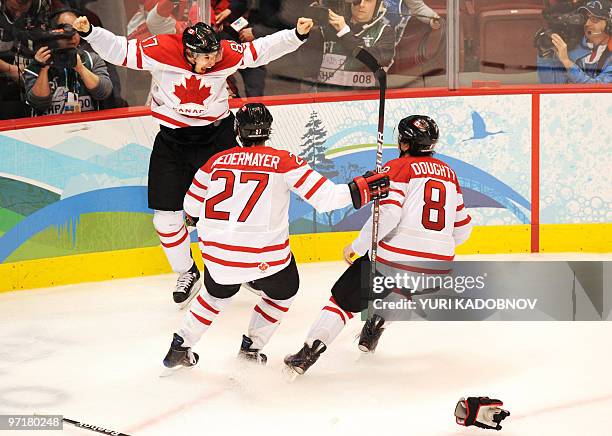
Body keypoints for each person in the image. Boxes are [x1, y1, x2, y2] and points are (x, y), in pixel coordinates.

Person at [71, 14, 314, 307]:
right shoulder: (160, 50)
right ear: (188, 53)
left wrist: (296, 35)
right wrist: (91, 32)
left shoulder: (225, 55)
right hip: (172, 143)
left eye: (215, 55)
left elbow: (259, 50)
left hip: (217, 140)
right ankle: (187, 271)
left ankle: (243, 267)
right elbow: (120, 51)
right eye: (206, 58)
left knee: (237, 211)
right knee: (165, 219)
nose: (212, 62)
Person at [161, 102, 389, 372]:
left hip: (217, 256)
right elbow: (326, 198)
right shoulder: (282, 161)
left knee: (214, 295)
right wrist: (363, 187)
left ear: (237, 131)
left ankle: (180, 347)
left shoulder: (215, 162)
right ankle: (251, 348)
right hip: (264, 257)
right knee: (283, 293)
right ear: (268, 131)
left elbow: (191, 209)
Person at [284, 115, 473, 376]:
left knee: (342, 302)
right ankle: (376, 323)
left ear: (405, 143)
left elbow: (389, 214)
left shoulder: (398, 167)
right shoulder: (449, 175)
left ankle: (307, 355)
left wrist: (358, 246)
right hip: (436, 269)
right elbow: (463, 229)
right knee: (402, 288)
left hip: (393, 260)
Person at [23, 8, 113, 114]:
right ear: (53, 32)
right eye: (66, 30)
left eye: (77, 30)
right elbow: (38, 103)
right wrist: (43, 68)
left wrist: (81, 68)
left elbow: (104, 93)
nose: (72, 36)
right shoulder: (38, 62)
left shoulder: (92, 59)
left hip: (88, 126)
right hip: (49, 128)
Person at [301, 0, 396, 91]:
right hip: (327, 100)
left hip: (364, 102)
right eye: (357, 0)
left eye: (368, 0)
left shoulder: (385, 32)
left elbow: (377, 61)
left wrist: (344, 33)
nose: (362, 4)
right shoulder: (326, 29)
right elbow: (304, 65)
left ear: (378, 5)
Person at [537, 0, 612, 84]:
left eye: (594, 19)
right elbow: (550, 87)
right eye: (586, 18)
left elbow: (597, 89)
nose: (587, 24)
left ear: (609, 25)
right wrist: (544, 56)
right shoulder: (569, 48)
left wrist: (567, 62)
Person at [0, 0, 51, 119]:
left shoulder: (42, 4)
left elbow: (47, 35)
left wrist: (35, 69)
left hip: (29, 70)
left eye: (23, 8)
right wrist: (9, 69)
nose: (18, 15)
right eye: (13, 9)